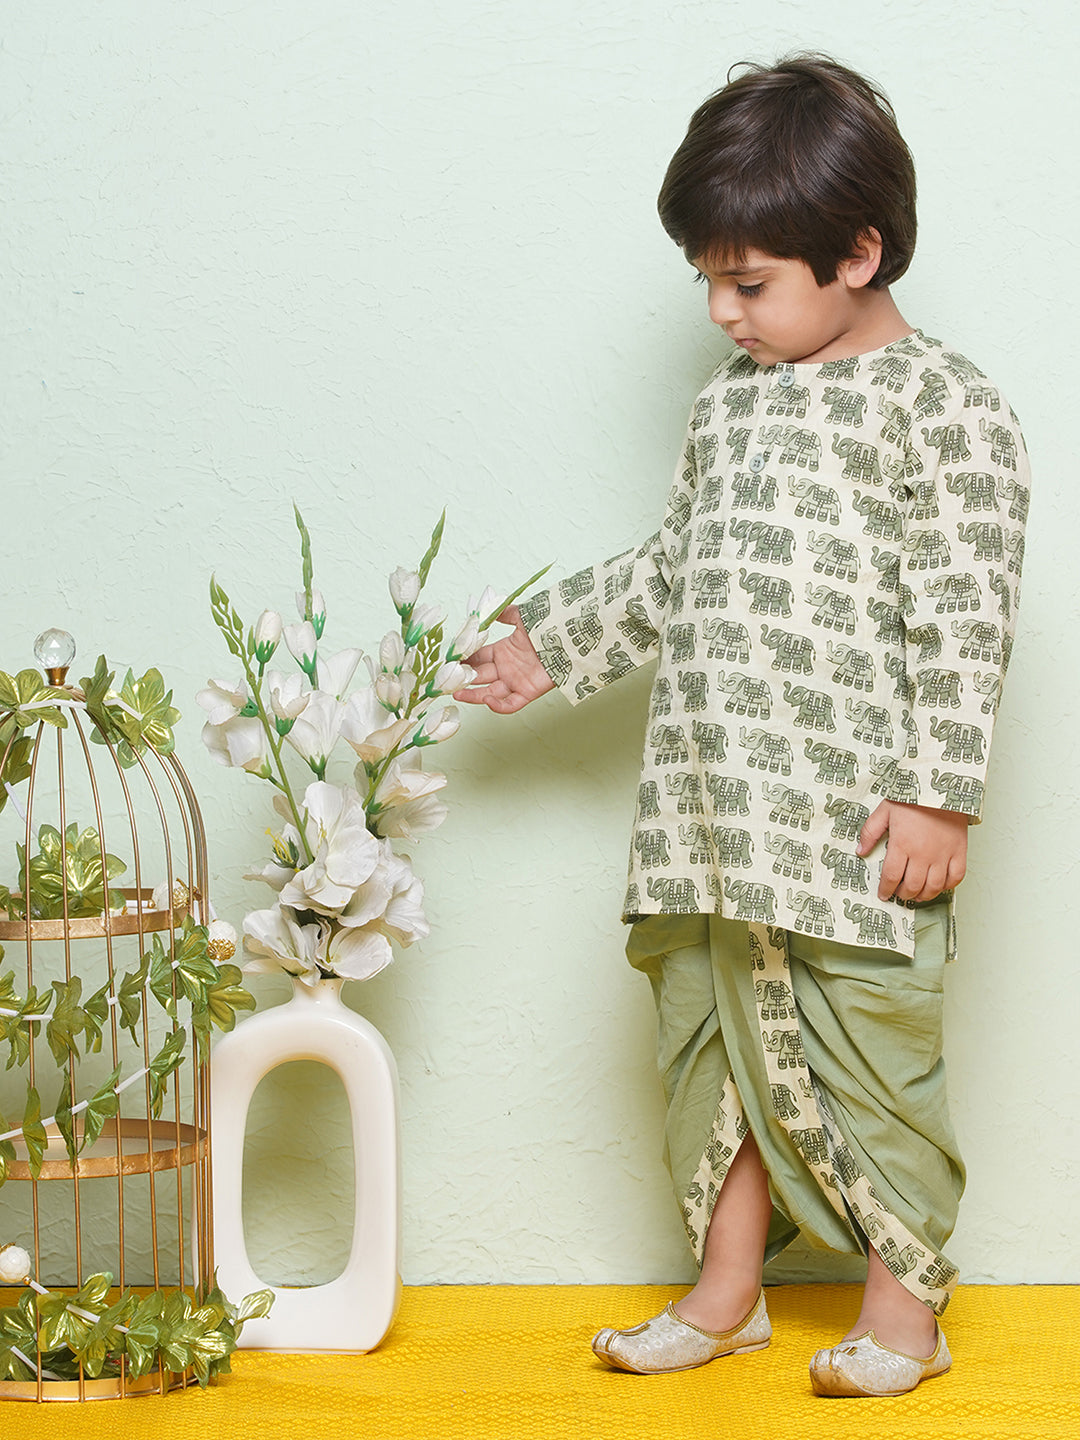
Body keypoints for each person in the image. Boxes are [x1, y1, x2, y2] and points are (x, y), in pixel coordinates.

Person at [456, 54, 1029, 1399]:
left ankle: (904, 1316)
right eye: (707, 281)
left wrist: (940, 793)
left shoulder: (946, 408)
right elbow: (678, 569)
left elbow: (967, 608)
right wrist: (550, 644)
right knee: (709, 1053)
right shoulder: (728, 403)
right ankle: (726, 1299)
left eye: (750, 283)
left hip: (856, 824)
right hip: (710, 813)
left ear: (858, 253)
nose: (721, 311)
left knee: (876, 1057)